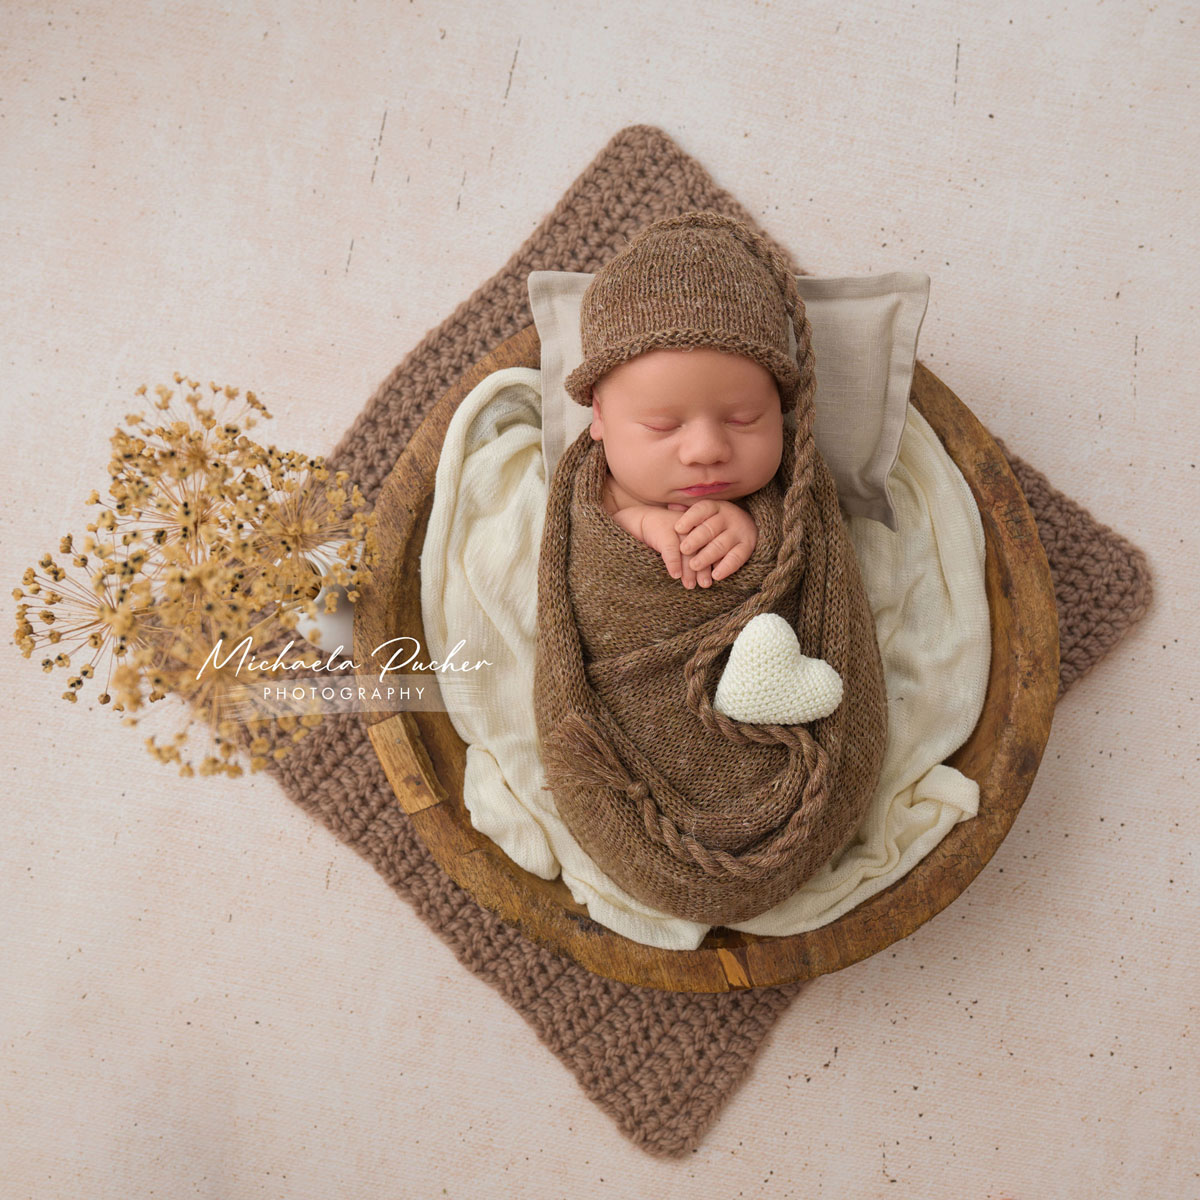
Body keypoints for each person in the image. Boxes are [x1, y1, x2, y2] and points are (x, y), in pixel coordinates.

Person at [587, 343, 784, 589]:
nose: (707, 451)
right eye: (662, 426)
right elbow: (583, 561)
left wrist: (759, 534)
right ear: (600, 415)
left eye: (743, 420)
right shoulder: (600, 496)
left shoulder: (790, 494)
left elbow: (805, 549)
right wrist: (638, 523)